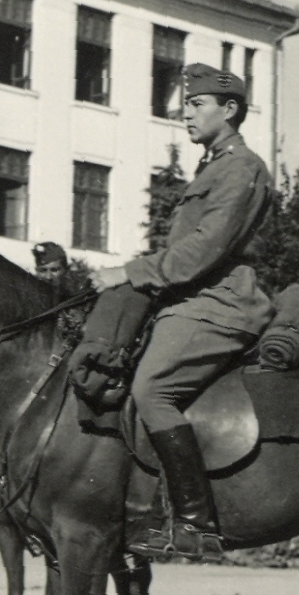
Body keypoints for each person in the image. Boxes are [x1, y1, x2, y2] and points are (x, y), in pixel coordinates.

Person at [91, 64, 274, 560]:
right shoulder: (213, 166)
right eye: (186, 105)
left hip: (221, 304)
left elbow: (204, 250)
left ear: (229, 109)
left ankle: (196, 523)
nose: (185, 114)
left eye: (197, 105)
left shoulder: (242, 167)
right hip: (190, 302)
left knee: (153, 388)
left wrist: (128, 272)